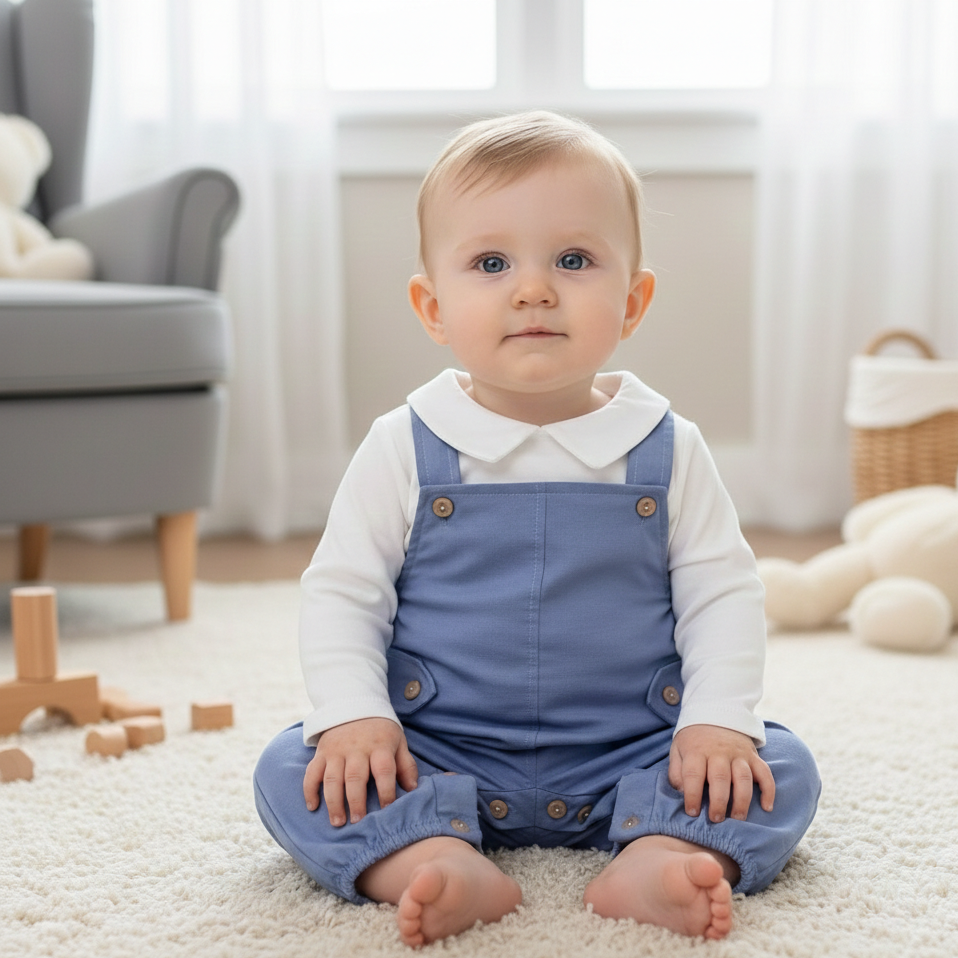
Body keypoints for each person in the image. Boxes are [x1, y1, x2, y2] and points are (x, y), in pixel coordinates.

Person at [254, 110, 820, 947]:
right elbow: (344, 592)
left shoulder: (666, 447)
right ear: (432, 306)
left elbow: (722, 593)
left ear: (632, 302)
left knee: (779, 766)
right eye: (490, 262)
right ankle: (428, 857)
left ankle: (659, 853)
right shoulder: (404, 444)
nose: (534, 289)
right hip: (440, 754)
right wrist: (353, 715)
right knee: (294, 767)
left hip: (630, 754)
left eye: (574, 260)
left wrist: (715, 721)